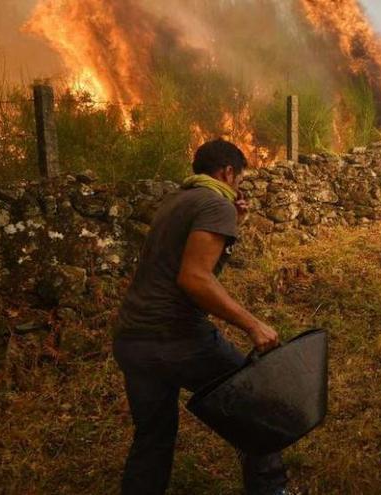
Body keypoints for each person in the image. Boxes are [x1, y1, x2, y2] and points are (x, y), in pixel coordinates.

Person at [113, 139, 291, 494]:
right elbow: (194, 278)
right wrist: (253, 324)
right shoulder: (215, 203)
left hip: (133, 338)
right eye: (239, 179)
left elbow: (190, 263)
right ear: (227, 172)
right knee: (256, 408)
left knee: (153, 437)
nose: (238, 187)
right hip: (176, 338)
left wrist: (233, 224)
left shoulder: (179, 200)